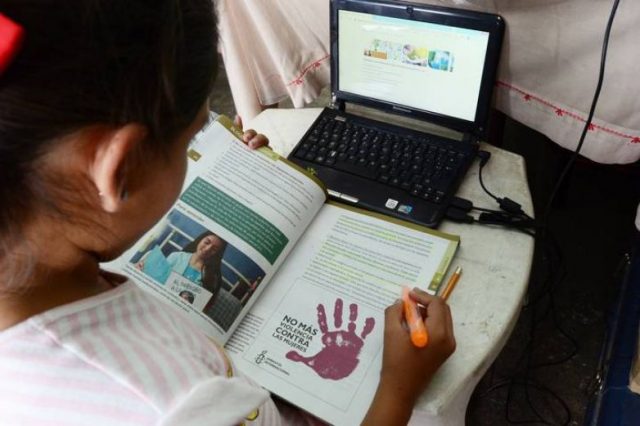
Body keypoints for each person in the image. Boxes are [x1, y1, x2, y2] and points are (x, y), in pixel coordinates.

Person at [0, 1, 455, 425]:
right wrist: (398, 386)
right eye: (195, 140)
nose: (197, 148)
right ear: (120, 170)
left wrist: (223, 164)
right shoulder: (181, 406)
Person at [166, 231, 227, 298]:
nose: (207, 249)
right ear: (200, 240)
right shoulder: (176, 256)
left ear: (216, 254)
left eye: (214, 249)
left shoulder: (212, 278)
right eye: (206, 242)